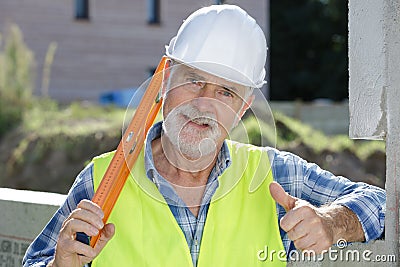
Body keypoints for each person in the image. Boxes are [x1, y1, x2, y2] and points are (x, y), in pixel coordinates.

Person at [23, 4, 385, 267]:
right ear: (164, 83)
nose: (204, 104)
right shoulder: (102, 181)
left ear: (243, 108)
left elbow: (383, 203)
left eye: (226, 93)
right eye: (194, 80)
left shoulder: (276, 176)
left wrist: (332, 222)